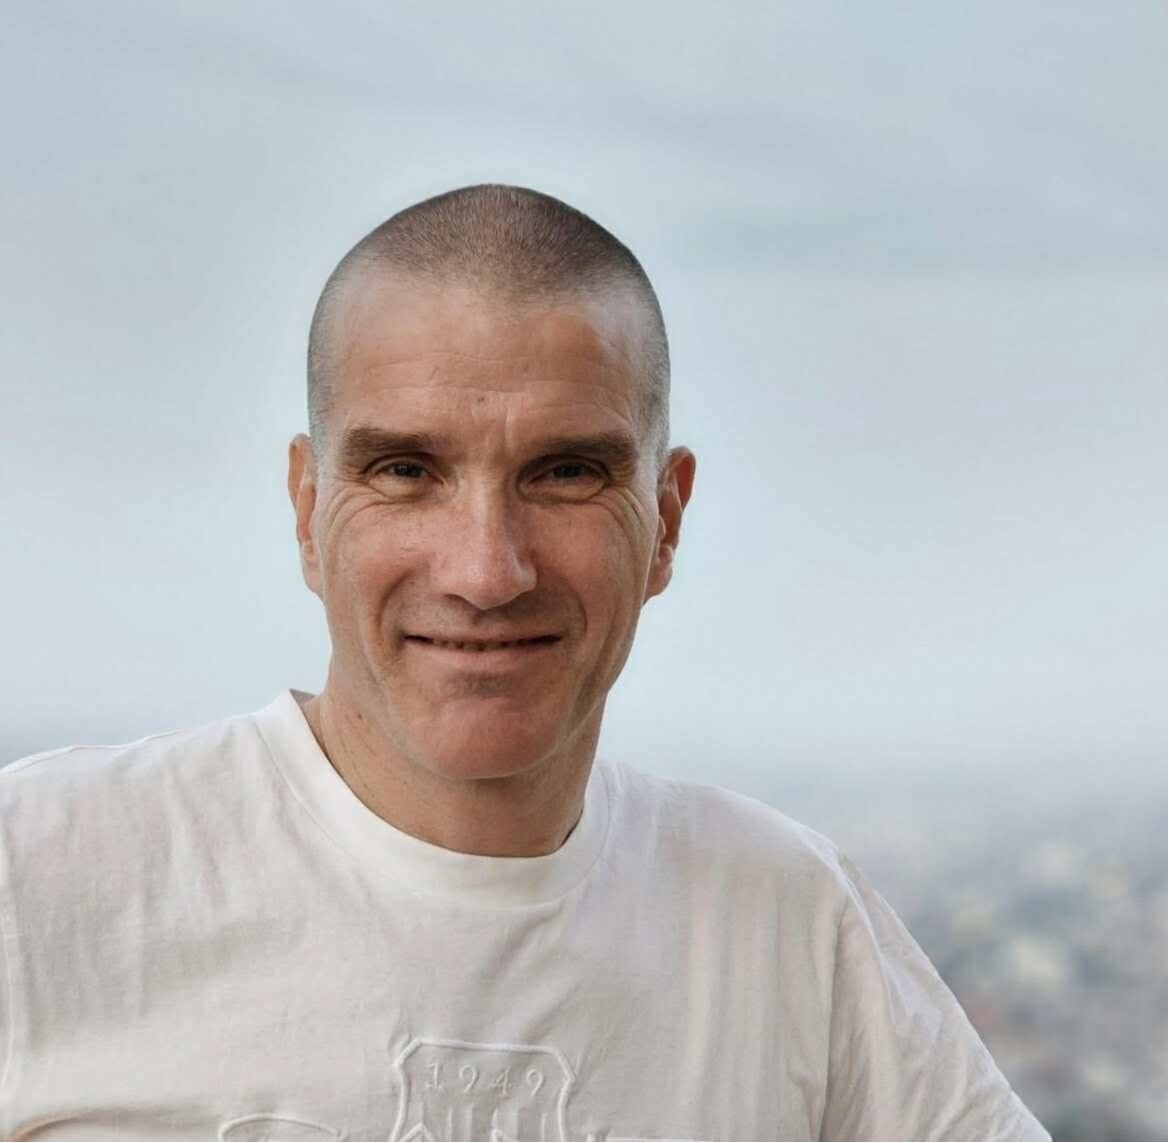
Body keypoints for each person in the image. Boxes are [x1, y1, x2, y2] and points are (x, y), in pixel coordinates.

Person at [0, 184, 1049, 1142]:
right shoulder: (41, 875)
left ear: (666, 521)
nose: (485, 570)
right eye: (404, 470)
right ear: (309, 511)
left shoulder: (787, 925)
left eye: (566, 473)